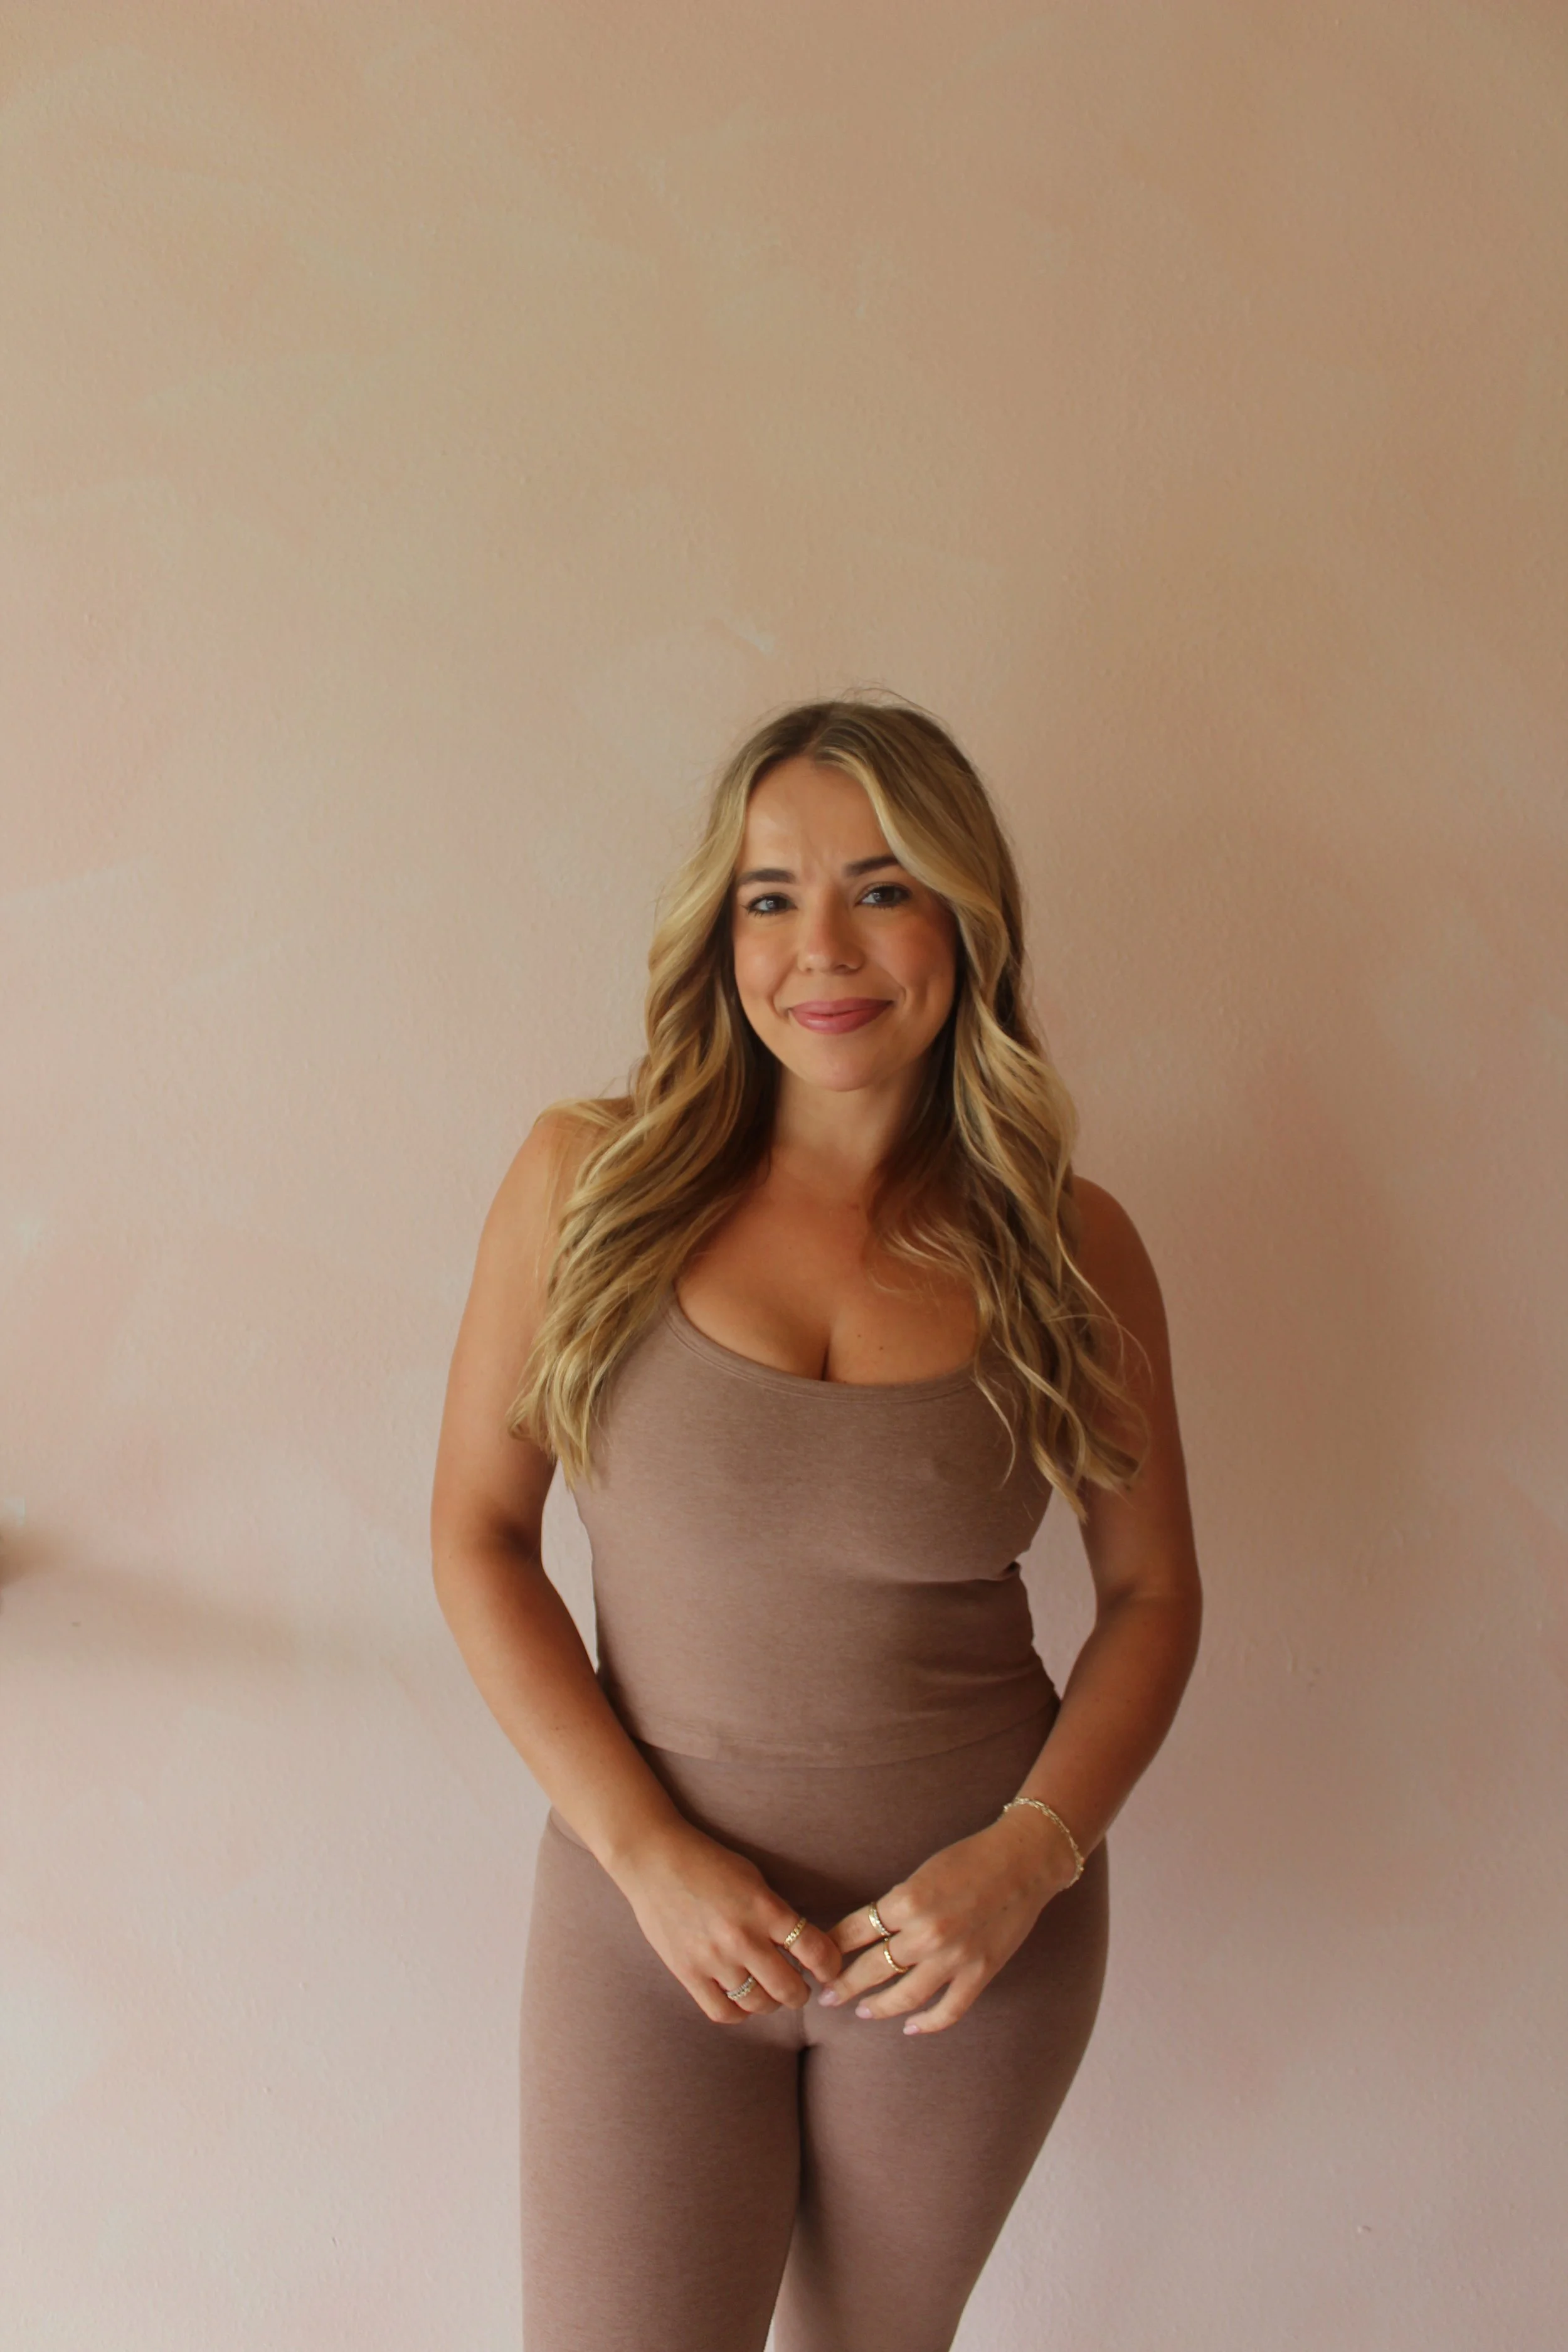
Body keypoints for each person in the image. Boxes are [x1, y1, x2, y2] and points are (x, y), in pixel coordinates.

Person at [430, 694, 1203, 2352]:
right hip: (649, 1933)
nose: (822, 949)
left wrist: (1024, 1861)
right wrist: (647, 1856)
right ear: (718, 935)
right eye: (769, 896)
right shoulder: (585, 1182)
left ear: (965, 921)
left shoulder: (1071, 1244)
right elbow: (479, 1538)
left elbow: (1150, 1597)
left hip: (963, 1951)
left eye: (882, 888)